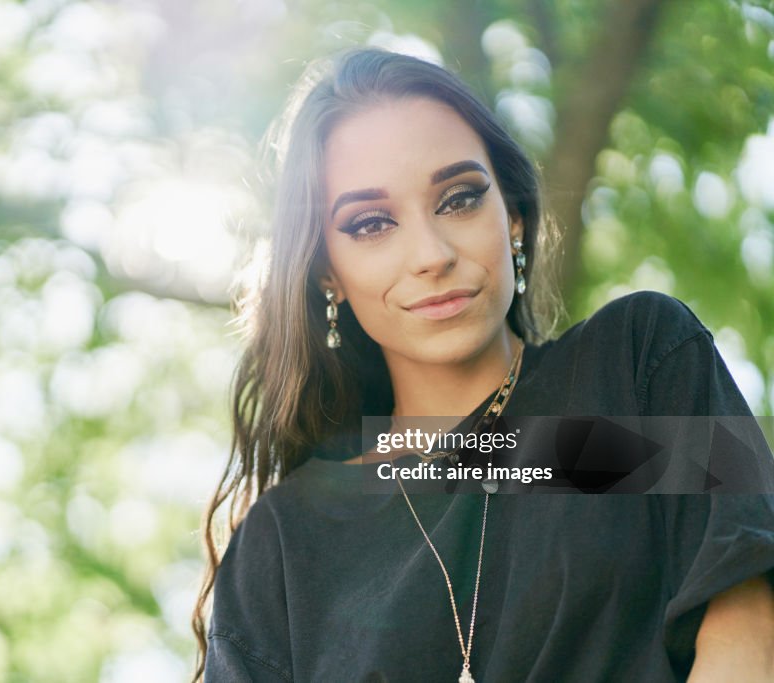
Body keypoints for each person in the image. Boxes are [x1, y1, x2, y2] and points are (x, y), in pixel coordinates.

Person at [192, 48, 774, 682]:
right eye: (371, 223)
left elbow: (750, 635)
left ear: (514, 218)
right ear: (328, 272)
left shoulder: (637, 363)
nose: (430, 254)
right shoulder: (281, 543)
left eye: (459, 199)